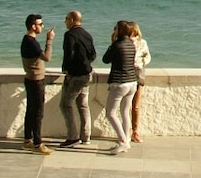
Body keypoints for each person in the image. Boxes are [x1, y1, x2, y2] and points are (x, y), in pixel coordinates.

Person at [58, 10, 96, 149]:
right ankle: (85, 136)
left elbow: (68, 53)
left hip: (76, 75)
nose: (65, 21)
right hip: (87, 74)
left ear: (72, 20)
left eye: (66, 19)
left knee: (65, 104)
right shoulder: (87, 34)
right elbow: (93, 55)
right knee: (83, 105)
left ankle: (72, 137)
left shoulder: (70, 35)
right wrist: (85, 62)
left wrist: (66, 68)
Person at [103, 19, 139, 154]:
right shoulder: (131, 44)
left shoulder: (117, 45)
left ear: (119, 31)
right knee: (124, 112)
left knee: (111, 113)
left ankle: (123, 141)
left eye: (115, 29)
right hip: (132, 82)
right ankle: (126, 139)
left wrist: (112, 43)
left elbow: (105, 59)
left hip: (120, 83)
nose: (114, 31)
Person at [20, 13, 55, 155]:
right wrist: (49, 40)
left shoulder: (26, 40)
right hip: (36, 81)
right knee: (38, 113)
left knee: (30, 111)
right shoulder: (32, 42)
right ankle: (37, 143)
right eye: (40, 24)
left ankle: (28, 139)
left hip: (30, 79)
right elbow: (47, 57)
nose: (42, 26)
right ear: (33, 26)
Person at [131, 24, 151, 144]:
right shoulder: (123, 42)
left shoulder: (142, 43)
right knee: (126, 106)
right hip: (127, 74)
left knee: (136, 106)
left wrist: (140, 63)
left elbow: (147, 57)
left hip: (138, 74)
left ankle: (135, 131)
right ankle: (127, 131)